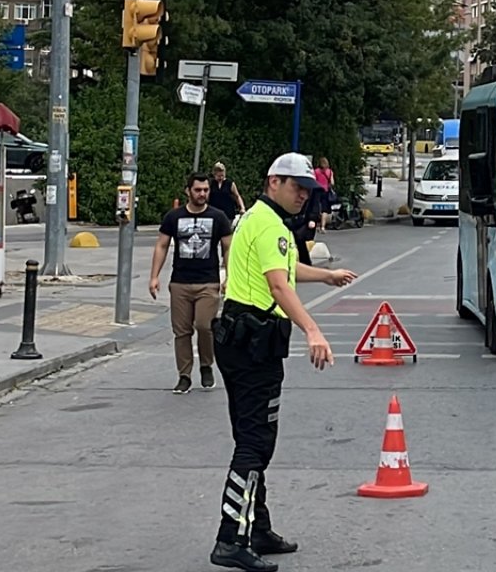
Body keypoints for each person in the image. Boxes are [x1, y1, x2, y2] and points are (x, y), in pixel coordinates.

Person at [208, 152, 357, 572]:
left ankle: (256, 527)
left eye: (308, 191)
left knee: (251, 438)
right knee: (256, 443)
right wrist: (312, 328)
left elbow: (285, 269)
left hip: (240, 339)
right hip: (254, 345)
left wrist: (326, 275)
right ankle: (230, 537)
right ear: (273, 182)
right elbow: (278, 285)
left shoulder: (257, 218)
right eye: (297, 187)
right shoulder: (271, 225)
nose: (303, 197)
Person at [149, 172, 234, 394]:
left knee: (204, 326)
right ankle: (184, 375)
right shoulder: (173, 217)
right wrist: (154, 276)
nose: (202, 194)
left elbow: (228, 248)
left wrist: (229, 275)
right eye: (198, 190)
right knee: (182, 332)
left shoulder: (218, 217)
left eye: (206, 190)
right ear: (188, 191)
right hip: (180, 282)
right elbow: (161, 246)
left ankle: (206, 366)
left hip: (208, 282)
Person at [210, 162, 247, 226]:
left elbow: (237, 196)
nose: (221, 178)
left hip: (228, 213)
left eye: (222, 175)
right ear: (214, 174)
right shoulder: (211, 183)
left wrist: (242, 208)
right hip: (214, 212)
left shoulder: (230, 184)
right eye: (219, 176)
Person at [313, 157, 334, 233]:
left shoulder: (316, 171)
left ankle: (316, 226)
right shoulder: (330, 172)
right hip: (325, 191)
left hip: (317, 191)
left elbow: (313, 181)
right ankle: (323, 227)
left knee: (316, 208)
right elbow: (332, 183)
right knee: (324, 209)